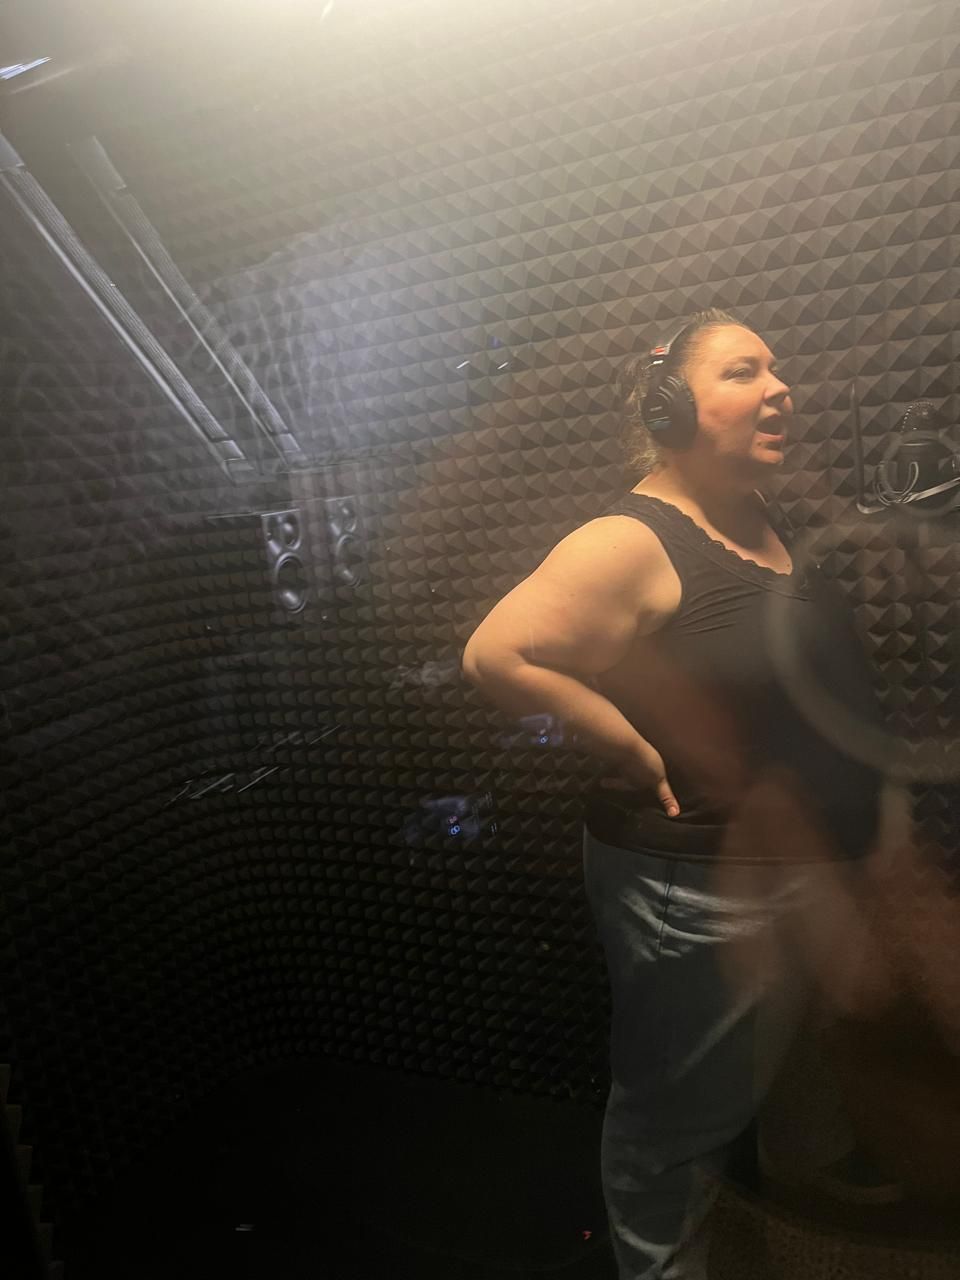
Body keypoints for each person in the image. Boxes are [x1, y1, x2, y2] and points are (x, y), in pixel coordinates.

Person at [461, 309, 911, 1278]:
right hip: (700, 887)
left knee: (794, 1062)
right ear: (672, 408)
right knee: (671, 1126)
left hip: (798, 867)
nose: (780, 388)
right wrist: (625, 742)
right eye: (744, 371)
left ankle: (809, 1177)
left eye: (778, 369)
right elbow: (498, 652)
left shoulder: (757, 517)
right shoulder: (629, 540)